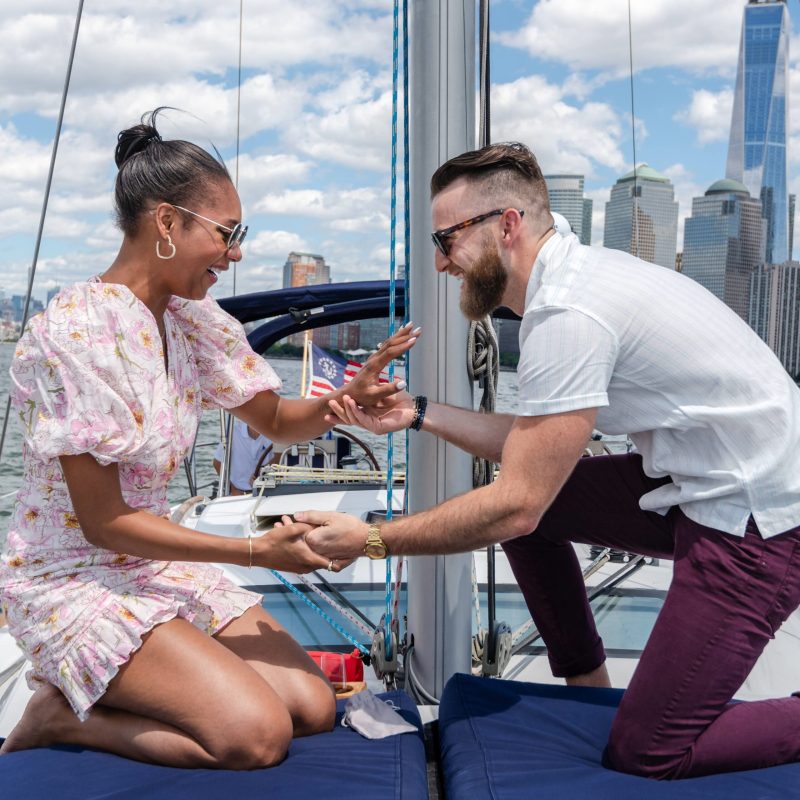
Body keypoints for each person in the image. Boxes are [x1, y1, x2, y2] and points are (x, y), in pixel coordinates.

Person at [298, 142, 800, 780]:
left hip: (764, 521)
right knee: (539, 516)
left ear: (507, 226)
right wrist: (416, 412)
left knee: (649, 752)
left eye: (446, 238)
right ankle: (586, 685)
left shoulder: (569, 311)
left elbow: (516, 502)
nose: (438, 261)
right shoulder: (567, 281)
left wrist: (372, 539)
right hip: (698, 484)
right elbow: (532, 443)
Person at [0, 109, 417, 769]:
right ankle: (57, 717)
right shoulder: (75, 334)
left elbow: (278, 420)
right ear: (168, 223)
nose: (237, 251)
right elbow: (105, 524)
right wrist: (255, 551)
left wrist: (344, 401)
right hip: (72, 578)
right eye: (228, 232)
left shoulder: (191, 320)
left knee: (309, 707)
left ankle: (134, 687)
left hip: (149, 566)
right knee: (256, 737)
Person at [213, 420, 273, 495]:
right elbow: (217, 463)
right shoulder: (233, 432)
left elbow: (278, 458)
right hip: (237, 492)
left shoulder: (273, 433)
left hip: (266, 490)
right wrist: (233, 489)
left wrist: (262, 474)